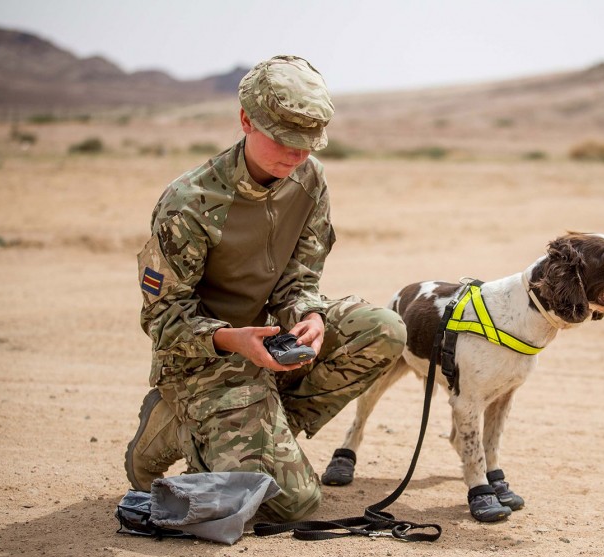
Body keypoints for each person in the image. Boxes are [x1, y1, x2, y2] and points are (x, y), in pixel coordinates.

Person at [125, 55, 406, 522]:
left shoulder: (310, 179)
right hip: (203, 361)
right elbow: (163, 318)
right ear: (244, 120)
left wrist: (308, 317)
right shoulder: (189, 204)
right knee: (291, 506)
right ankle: (175, 423)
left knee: (384, 330)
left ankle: (267, 425)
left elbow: (299, 278)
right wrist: (236, 340)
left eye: (307, 144)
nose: (296, 156)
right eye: (283, 141)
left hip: (268, 344)